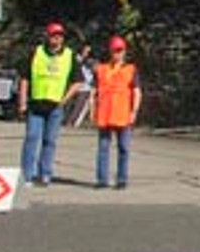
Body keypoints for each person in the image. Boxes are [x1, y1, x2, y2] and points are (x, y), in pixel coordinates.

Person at [18, 22, 83, 187]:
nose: (57, 38)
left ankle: (45, 173)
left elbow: (77, 82)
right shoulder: (36, 53)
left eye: (60, 36)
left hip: (55, 106)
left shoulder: (69, 55)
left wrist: (64, 100)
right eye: (54, 35)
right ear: (48, 36)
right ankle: (27, 174)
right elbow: (25, 78)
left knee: (50, 141)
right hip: (36, 104)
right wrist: (22, 102)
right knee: (32, 138)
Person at [92, 35, 142, 189]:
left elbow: (137, 92)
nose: (117, 54)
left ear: (125, 51)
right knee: (103, 148)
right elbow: (94, 92)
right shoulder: (101, 69)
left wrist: (134, 111)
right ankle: (102, 180)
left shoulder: (131, 69)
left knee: (124, 148)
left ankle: (121, 179)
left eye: (120, 51)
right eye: (115, 51)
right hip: (104, 114)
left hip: (123, 114)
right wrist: (92, 110)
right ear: (110, 51)